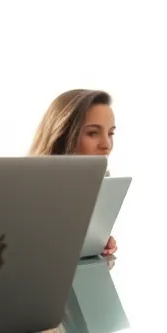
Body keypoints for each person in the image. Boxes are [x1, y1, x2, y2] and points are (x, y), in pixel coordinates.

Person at [29, 89, 118, 256]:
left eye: (110, 133)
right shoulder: (26, 190)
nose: (107, 144)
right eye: (93, 133)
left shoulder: (95, 188)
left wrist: (93, 243)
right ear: (63, 135)